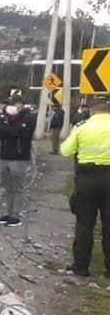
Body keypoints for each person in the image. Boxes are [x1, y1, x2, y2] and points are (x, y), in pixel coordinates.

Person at [60, 96, 110, 277]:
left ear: (91, 110)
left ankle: (81, 266)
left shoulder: (83, 127)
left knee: (84, 223)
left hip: (87, 179)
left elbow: (65, 150)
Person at [0, 95, 33, 227]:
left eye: (15, 104)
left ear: (21, 105)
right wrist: (6, 127)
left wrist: (7, 129)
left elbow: (18, 133)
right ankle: (9, 213)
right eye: (10, 104)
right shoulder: (5, 118)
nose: (12, 106)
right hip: (5, 156)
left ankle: (15, 215)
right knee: (8, 187)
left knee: (18, 187)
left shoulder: (27, 118)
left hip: (19, 158)